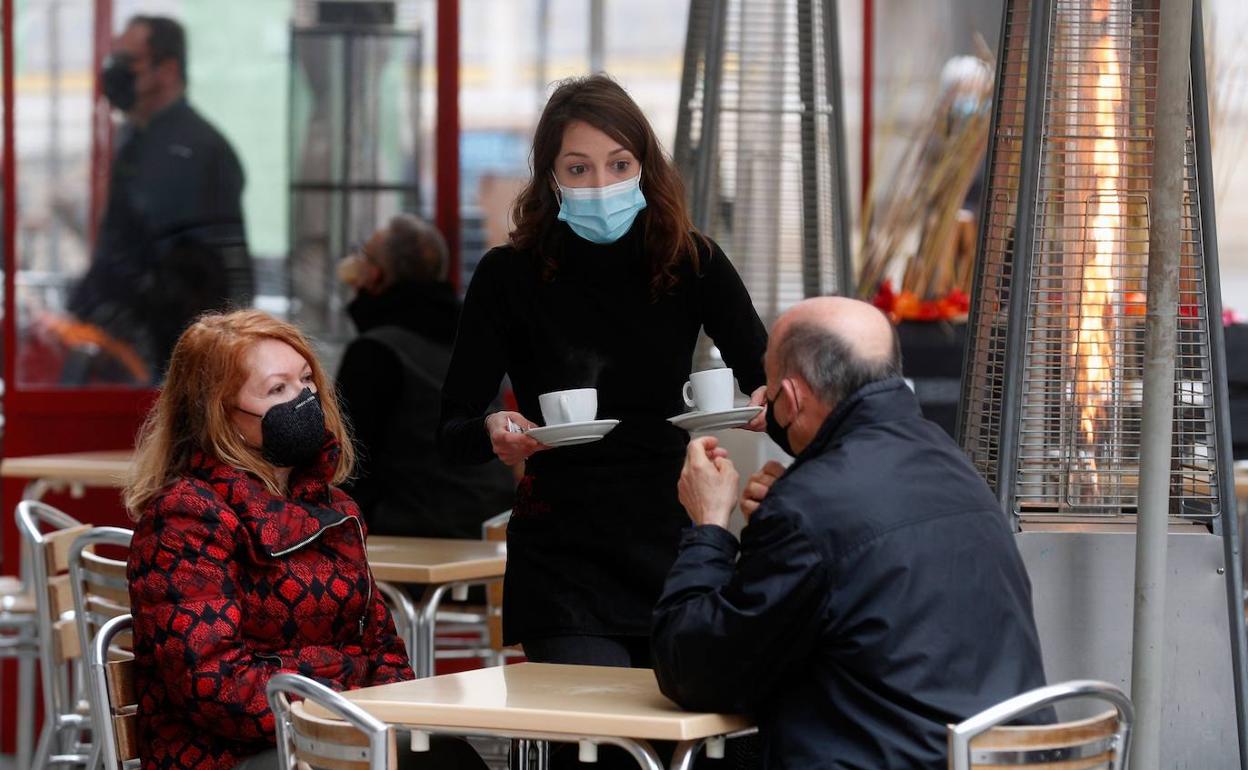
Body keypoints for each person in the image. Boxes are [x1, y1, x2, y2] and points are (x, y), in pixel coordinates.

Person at [439, 74, 769, 667]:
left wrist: (766, 404)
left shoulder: (692, 261)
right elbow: (453, 432)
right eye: (578, 168)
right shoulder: (506, 276)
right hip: (561, 554)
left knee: (684, 745)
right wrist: (493, 432)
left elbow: (765, 374)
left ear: (645, 167)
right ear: (550, 178)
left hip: (672, 536)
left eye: (619, 165)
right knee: (592, 753)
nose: (602, 183)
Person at [652, 297, 1050, 769]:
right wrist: (793, 518)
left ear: (793, 399)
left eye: (773, 399)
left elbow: (697, 672)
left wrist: (709, 526)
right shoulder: (949, 462)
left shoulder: (810, 507)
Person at [124, 310, 412, 770]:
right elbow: (213, 682)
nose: (303, 400)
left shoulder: (334, 507)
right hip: (232, 756)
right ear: (221, 414)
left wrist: (381, 714)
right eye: (277, 389)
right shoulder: (185, 517)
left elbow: (384, 648)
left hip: (340, 737)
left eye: (306, 381)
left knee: (450, 756)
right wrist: (346, 711)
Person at [70, 15, 252, 383]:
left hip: (168, 361)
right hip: (125, 348)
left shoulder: (197, 150)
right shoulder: (134, 140)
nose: (114, 72)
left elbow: (213, 274)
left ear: (167, 70)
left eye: (127, 61)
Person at [337, 214, 515, 538]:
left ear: (376, 275)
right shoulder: (476, 335)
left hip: (412, 531)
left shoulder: (375, 352)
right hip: (492, 522)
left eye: (364, 256)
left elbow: (348, 461)